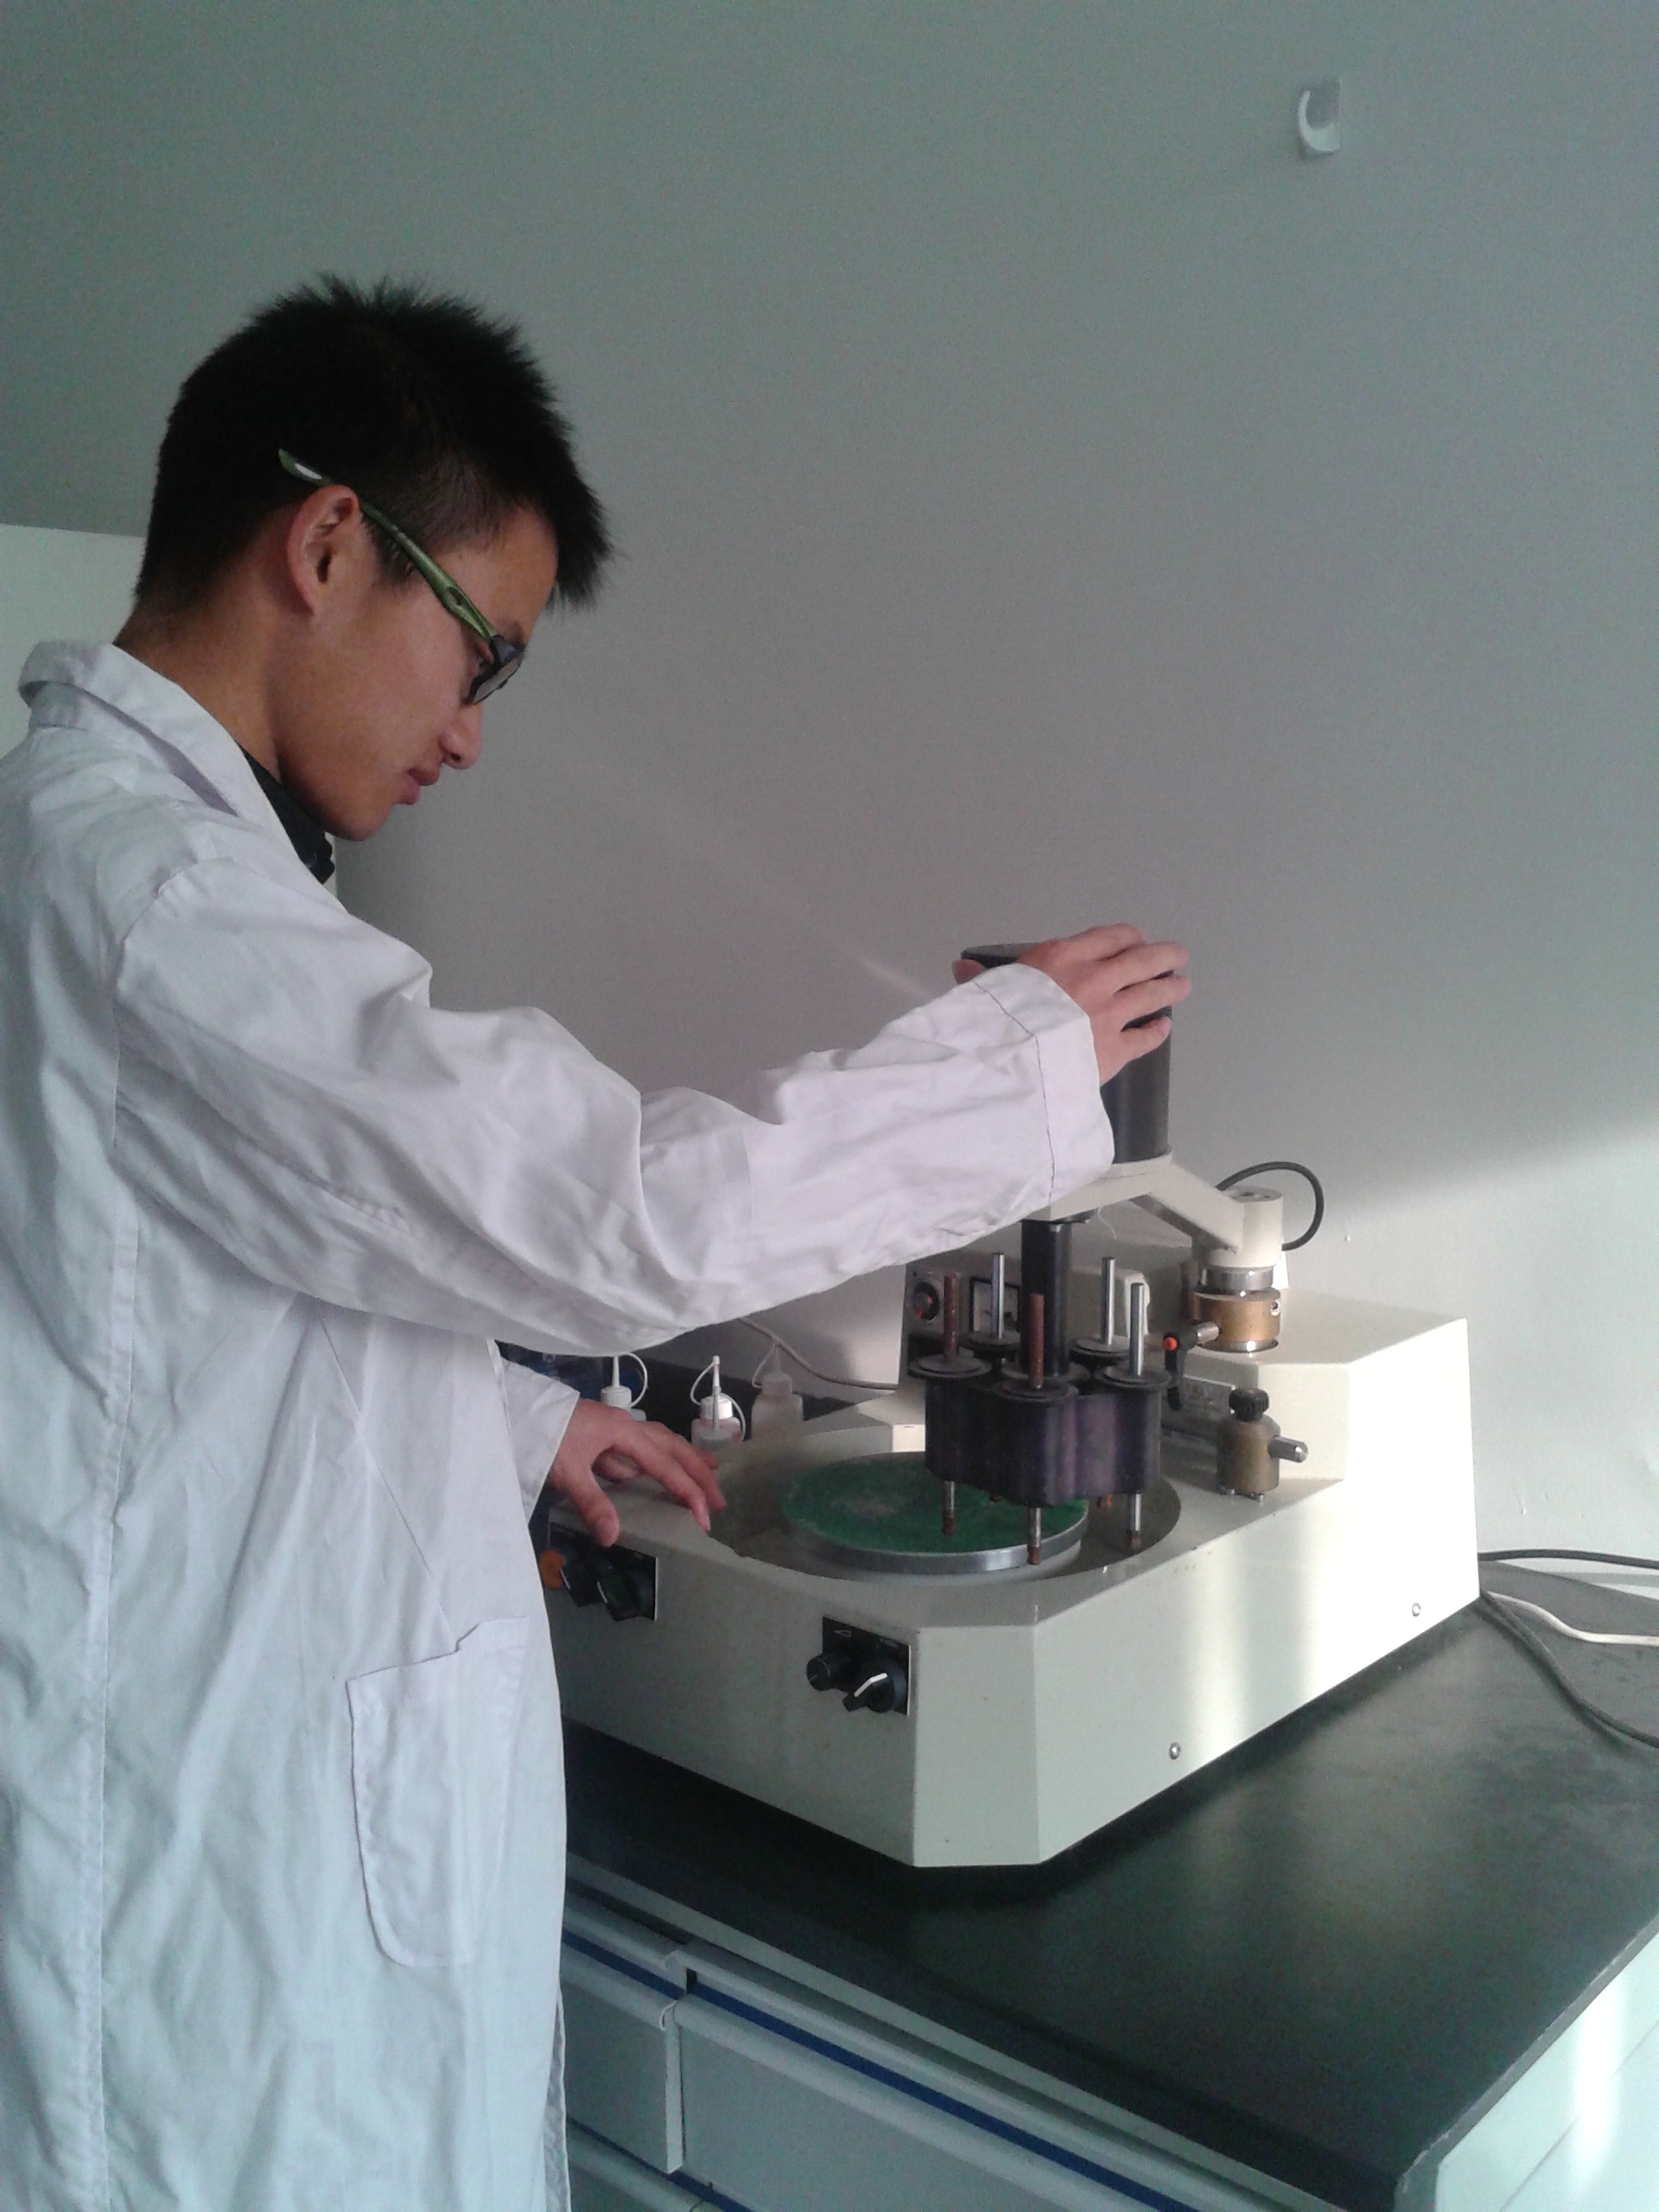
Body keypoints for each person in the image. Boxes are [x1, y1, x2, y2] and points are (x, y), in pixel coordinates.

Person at [0, 276, 1189, 2212]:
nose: (470, 734)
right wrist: (1013, 1063)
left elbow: (137, 1319)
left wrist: (510, 1422)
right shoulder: (161, 910)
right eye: (478, 652)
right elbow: (613, 1209)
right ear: (325, 544)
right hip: (231, 1981)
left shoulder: (77, 846)